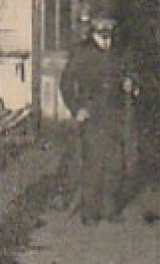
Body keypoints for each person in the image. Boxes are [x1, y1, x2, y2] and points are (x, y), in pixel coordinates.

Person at [59, 13, 139, 223]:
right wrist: (77, 109)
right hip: (92, 114)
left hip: (115, 113)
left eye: (109, 23)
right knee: (93, 162)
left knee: (115, 162)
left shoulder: (119, 50)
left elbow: (129, 73)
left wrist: (131, 83)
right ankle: (90, 212)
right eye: (101, 23)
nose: (105, 27)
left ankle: (109, 209)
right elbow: (66, 84)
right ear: (93, 25)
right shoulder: (82, 51)